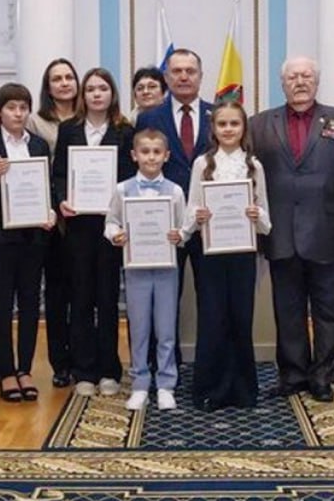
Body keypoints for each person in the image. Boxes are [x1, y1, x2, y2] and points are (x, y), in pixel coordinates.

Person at [250, 57, 334, 402]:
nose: (300, 82)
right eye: (292, 77)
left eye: (306, 76)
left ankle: (323, 376)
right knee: (287, 310)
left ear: (317, 82)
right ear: (282, 83)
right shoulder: (259, 124)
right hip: (280, 233)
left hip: (329, 233)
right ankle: (293, 375)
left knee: (328, 310)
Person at [52, 67, 136, 397]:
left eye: (103, 88)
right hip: (78, 227)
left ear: (112, 94)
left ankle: (109, 370)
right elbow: (59, 173)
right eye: (90, 89)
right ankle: (84, 369)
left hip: (110, 228)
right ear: (83, 96)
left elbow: (130, 177)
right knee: (82, 298)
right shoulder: (69, 129)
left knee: (107, 298)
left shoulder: (124, 131)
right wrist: (61, 200)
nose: (97, 94)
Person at [183, 102, 271, 410]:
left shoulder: (254, 166)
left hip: (243, 253)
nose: (229, 129)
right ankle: (211, 388)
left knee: (240, 318)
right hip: (210, 253)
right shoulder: (201, 164)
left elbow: (267, 221)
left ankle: (243, 389)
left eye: (235, 124)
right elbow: (191, 209)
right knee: (212, 318)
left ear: (243, 128)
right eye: (223, 124)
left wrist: (254, 212)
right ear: (214, 129)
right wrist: (199, 216)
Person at [135, 49, 214, 361]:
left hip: (208, 223)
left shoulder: (217, 115)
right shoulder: (149, 118)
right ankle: (162, 369)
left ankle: (208, 369)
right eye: (176, 71)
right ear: (166, 77)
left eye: (190, 71)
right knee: (163, 299)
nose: (183, 77)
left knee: (211, 298)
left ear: (200, 76)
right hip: (164, 225)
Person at [0, 83, 54, 403]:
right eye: (11, 108)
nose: (18, 113)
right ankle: (6, 371)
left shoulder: (38, 145)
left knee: (29, 304)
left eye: (23, 107)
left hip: (32, 236)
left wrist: (48, 210)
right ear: (1, 111)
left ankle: (24, 368)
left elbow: (45, 186)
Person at [105, 128, 185, 411]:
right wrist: (115, 235)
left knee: (165, 328)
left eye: (156, 152)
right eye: (145, 152)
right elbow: (111, 221)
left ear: (166, 156)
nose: (151, 157)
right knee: (139, 328)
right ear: (134, 155)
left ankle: (165, 384)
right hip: (136, 267)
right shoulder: (122, 189)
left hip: (166, 268)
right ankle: (140, 383)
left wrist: (180, 235)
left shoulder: (175, 191)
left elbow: (183, 227)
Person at [30, 57, 80, 388]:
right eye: (56, 79)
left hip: (83, 215)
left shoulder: (86, 119)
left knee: (82, 292)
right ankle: (60, 362)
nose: (63, 83)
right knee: (57, 292)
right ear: (48, 88)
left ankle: (82, 356)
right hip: (49, 217)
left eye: (68, 77)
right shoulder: (36, 122)